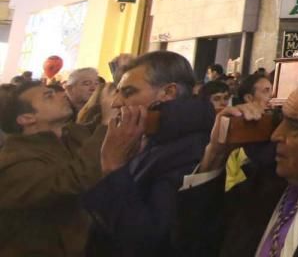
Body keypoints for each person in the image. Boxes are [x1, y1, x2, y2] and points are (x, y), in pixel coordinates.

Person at [177, 74, 298, 256]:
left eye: (295, 126)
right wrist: (215, 153)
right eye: (281, 120)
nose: (276, 136)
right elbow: (192, 243)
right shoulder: (264, 182)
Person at [81, 51, 214, 256]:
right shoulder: (155, 137)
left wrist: (113, 167)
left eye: (128, 92)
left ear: (168, 93)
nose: (116, 103)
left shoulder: (190, 148)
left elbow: (145, 240)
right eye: (117, 92)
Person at [0, 80, 122, 257]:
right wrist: (107, 122)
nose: (62, 94)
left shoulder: (67, 136)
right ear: (27, 119)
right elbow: (73, 181)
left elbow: (93, 131)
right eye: (48, 96)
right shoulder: (14, 161)